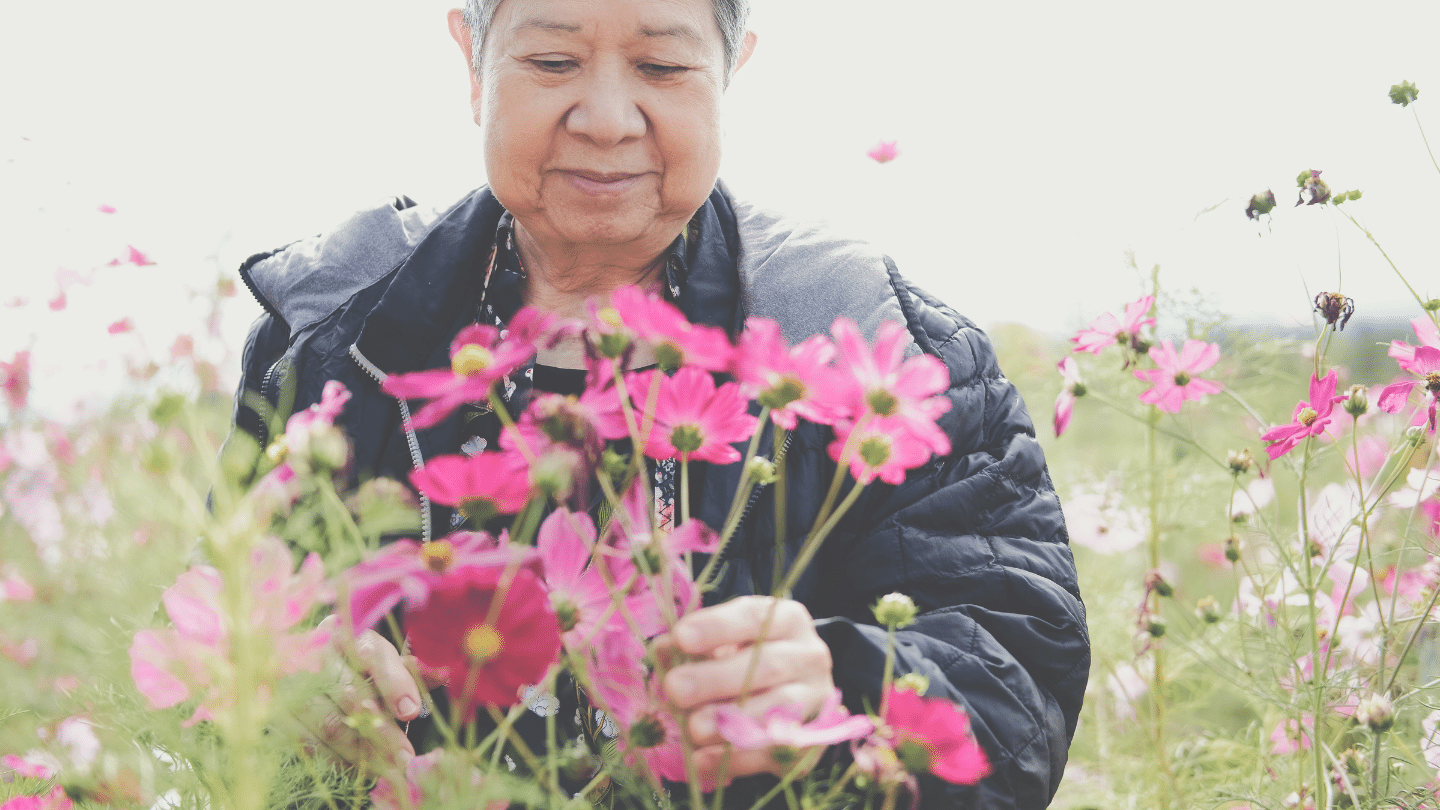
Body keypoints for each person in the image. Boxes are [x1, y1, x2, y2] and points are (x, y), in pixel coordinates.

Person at [225, 0, 1089, 807]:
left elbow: (1022, 680)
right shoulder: (333, 332)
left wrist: (841, 686)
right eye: (554, 59)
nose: (606, 117)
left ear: (731, 69)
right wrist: (280, 685)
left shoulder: (871, 340)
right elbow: (212, 628)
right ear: (473, 61)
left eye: (663, 68)